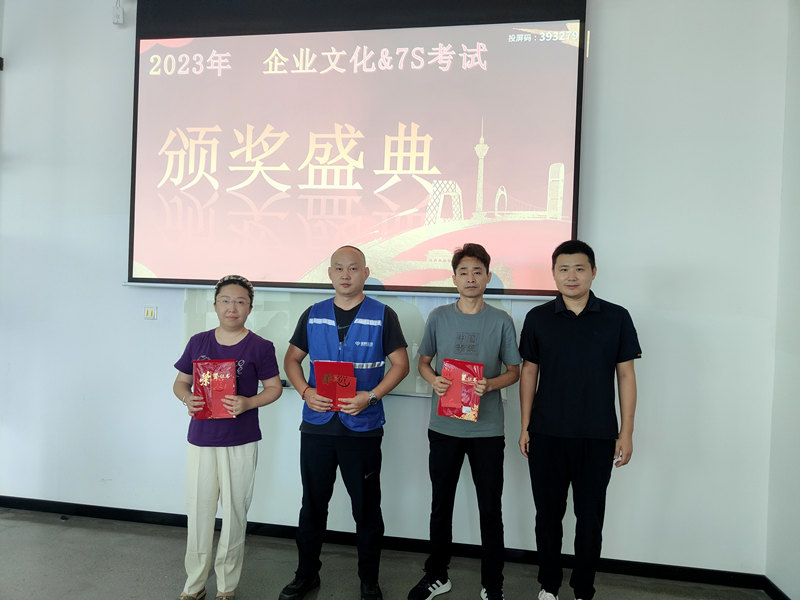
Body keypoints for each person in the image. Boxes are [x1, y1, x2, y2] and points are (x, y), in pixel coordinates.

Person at [279, 245, 410, 600]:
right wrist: (305, 391)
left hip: (362, 426)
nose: (346, 275)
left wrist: (372, 396)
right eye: (339, 268)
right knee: (312, 505)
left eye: (353, 268)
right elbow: (291, 359)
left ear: (365, 273)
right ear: (330, 274)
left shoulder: (383, 315)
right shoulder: (314, 313)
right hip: (318, 425)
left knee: (366, 509)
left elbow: (401, 365)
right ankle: (306, 575)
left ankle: (369, 580)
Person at [518, 240, 641, 600]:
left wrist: (626, 432)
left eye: (579, 268)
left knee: (590, 520)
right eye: (564, 269)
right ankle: (549, 586)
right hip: (547, 434)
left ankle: (584, 588)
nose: (571, 276)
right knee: (547, 517)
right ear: (554, 273)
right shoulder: (538, 317)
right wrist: (525, 426)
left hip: (598, 436)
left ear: (593, 272)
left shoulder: (617, 317)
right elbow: (529, 373)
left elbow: (626, 376)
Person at [408, 243, 521, 600]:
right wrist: (433, 379)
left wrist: (491, 384)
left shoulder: (501, 320)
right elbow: (423, 362)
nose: (471, 278)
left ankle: (493, 584)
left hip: (487, 430)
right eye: (464, 272)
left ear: (488, 277)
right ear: (454, 278)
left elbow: (514, 371)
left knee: (490, 508)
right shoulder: (438, 317)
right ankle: (437, 575)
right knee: (441, 504)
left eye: (477, 272)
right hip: (444, 427)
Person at [173, 274, 283, 600]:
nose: (232, 308)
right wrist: (186, 398)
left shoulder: (261, 346)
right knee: (199, 511)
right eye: (225, 301)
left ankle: (226, 587)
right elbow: (180, 383)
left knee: (235, 514)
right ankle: (194, 585)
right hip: (202, 438)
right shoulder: (198, 342)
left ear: (249, 308)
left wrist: (249, 402)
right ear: (215, 305)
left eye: (239, 302)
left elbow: (274, 388)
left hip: (241, 439)